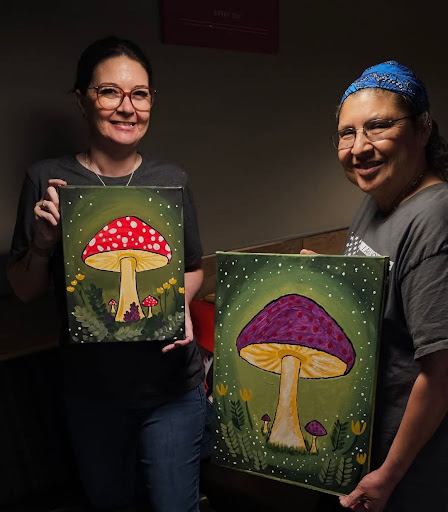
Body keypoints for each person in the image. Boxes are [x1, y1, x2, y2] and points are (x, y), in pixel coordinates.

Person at [7, 35, 206, 512]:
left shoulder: (172, 180)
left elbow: (193, 269)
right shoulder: (46, 179)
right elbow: (25, 290)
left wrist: (180, 307)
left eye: (140, 94)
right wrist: (43, 243)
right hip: (92, 395)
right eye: (109, 92)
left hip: (172, 390)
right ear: (81, 100)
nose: (127, 107)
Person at [304, 61, 448, 512]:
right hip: (360, 444)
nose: (359, 147)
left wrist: (388, 476)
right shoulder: (378, 198)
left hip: (405, 471)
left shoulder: (434, 219)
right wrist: (328, 276)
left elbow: (441, 375)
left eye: (379, 126)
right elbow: (385, 298)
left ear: (422, 128)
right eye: (347, 133)